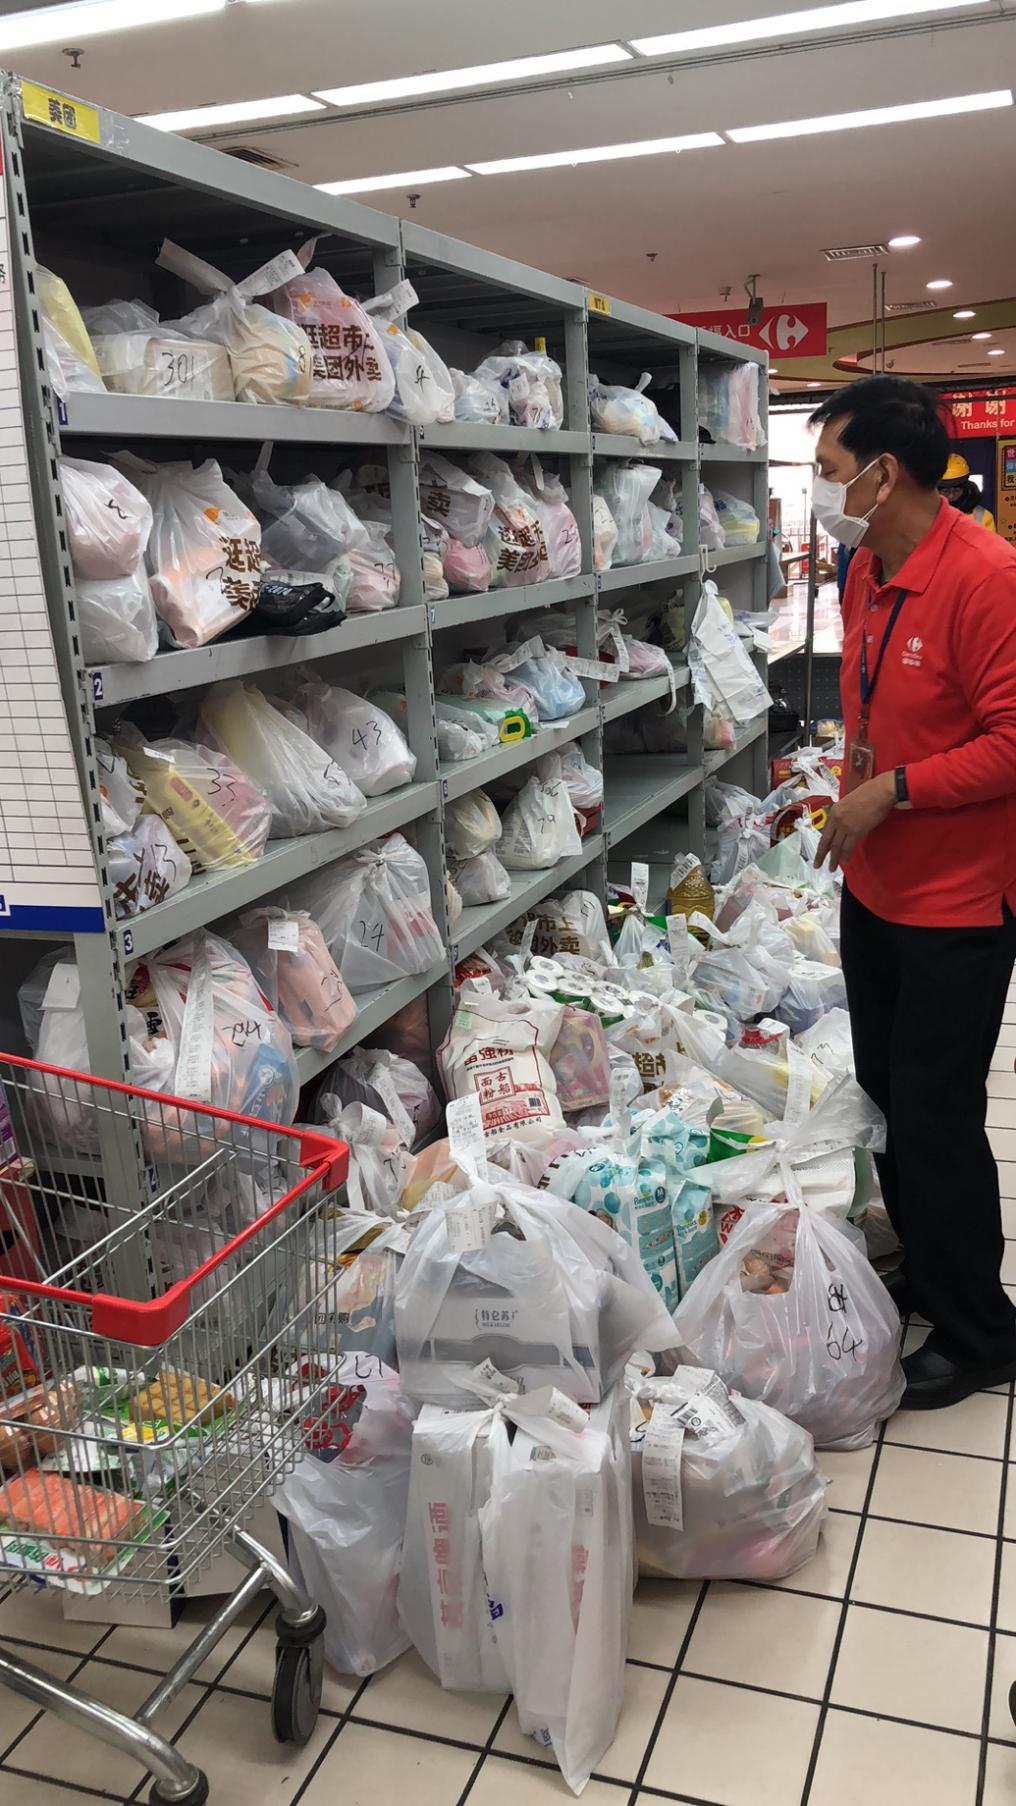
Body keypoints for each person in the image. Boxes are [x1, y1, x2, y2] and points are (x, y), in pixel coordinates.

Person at [810, 374, 1016, 1410]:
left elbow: (1012, 742)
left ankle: (980, 1330)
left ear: (883, 474)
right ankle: (929, 1274)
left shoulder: (987, 579)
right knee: (887, 1095)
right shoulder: (865, 567)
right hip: (876, 888)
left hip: (957, 905)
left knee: (937, 1114)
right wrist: (851, 785)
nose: (820, 489)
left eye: (828, 469)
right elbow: (871, 697)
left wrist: (890, 790)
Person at [939, 451, 996, 531]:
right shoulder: (926, 516)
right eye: (946, 491)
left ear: (965, 488)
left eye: (956, 490)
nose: (951, 496)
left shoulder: (983, 517)